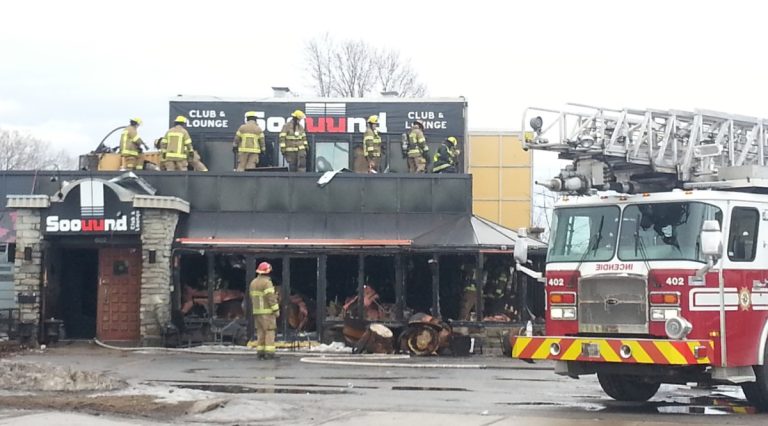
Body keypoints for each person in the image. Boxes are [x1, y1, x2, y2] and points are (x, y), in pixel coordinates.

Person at [249, 262, 280, 359]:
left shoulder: (253, 282)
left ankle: (260, 352)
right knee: (270, 331)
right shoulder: (267, 283)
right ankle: (269, 353)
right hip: (267, 312)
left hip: (257, 312)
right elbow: (271, 298)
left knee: (260, 332)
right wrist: (276, 310)